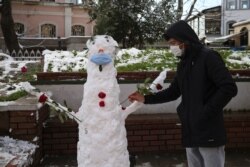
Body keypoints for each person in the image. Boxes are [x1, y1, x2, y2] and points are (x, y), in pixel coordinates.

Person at [128, 20, 238, 167]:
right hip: (190, 128)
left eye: (174, 42)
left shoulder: (208, 57)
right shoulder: (184, 63)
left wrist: (205, 113)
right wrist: (145, 99)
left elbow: (228, 87)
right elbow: (173, 92)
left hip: (209, 128)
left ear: (185, 40)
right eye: (170, 44)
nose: (171, 47)